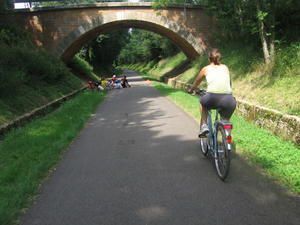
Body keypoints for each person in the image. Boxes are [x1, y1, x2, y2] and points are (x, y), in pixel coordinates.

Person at [188, 48, 236, 137]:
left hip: (211, 98)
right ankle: (227, 135)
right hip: (229, 99)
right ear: (219, 58)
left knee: (202, 103)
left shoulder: (205, 69)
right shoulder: (225, 68)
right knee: (226, 120)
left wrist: (191, 90)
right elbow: (229, 84)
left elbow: (196, 83)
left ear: (209, 59)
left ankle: (204, 126)